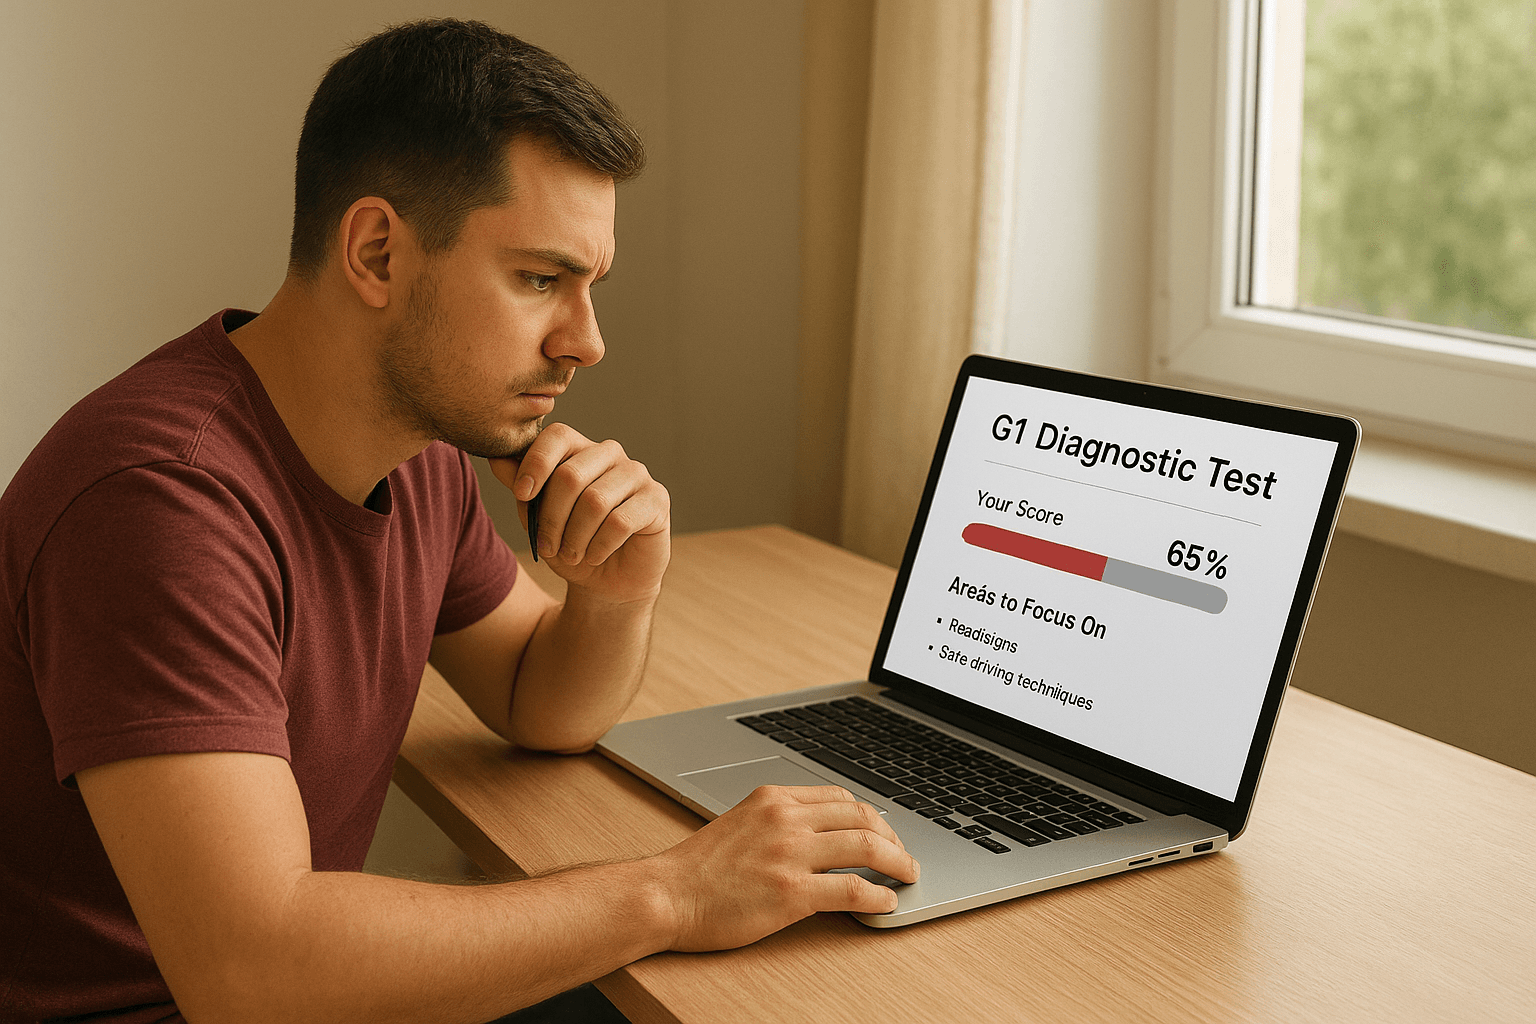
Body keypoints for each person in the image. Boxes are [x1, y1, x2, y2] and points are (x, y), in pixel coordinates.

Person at [0, 19, 917, 1023]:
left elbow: (536, 698)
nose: (587, 342)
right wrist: (678, 888)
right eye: (539, 280)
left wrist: (613, 592)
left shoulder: (421, 449)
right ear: (380, 251)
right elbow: (250, 972)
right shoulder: (160, 501)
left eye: (589, 286)